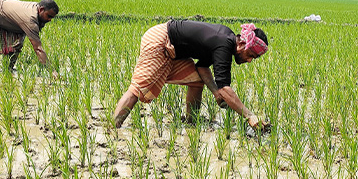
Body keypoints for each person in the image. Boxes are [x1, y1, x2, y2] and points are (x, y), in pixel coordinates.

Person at [113, 20, 269, 130]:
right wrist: (249, 115)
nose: (249, 61)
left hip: (172, 51)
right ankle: (113, 127)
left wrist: (215, 93)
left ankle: (191, 124)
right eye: (250, 55)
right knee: (139, 88)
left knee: (196, 80)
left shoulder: (224, 39)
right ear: (242, 44)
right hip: (161, 40)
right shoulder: (224, 45)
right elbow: (225, 89)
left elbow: (201, 67)